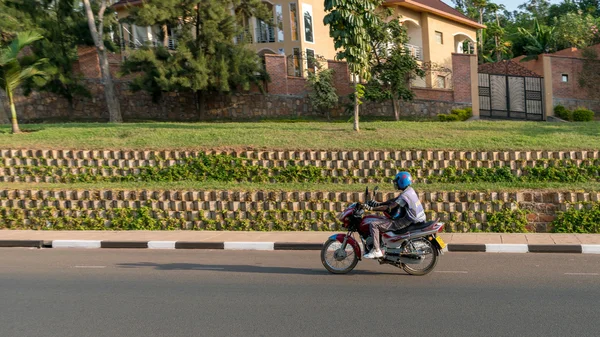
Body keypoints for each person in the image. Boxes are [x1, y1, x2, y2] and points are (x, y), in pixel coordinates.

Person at [362, 171, 426, 259]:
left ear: (402, 182)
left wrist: (371, 209)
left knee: (374, 225)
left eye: (396, 182)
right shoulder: (409, 191)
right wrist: (377, 204)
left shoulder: (405, 196)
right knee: (384, 219)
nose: (395, 184)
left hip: (408, 220)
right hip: (417, 218)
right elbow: (393, 201)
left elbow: (389, 207)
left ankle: (377, 250)